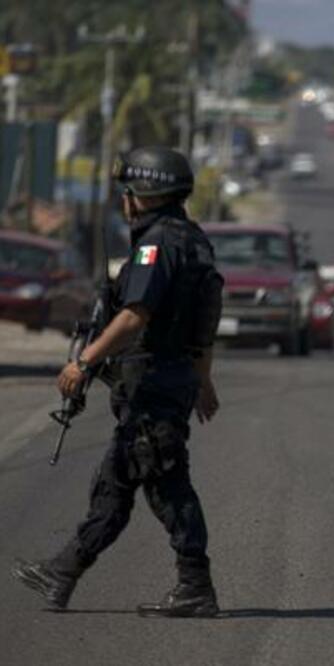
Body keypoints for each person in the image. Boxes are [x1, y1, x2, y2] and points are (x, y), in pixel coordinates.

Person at [11, 147, 225, 618]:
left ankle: (195, 586)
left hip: (151, 382)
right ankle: (63, 572)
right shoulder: (194, 241)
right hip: (169, 379)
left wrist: (84, 362)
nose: (122, 201)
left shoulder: (156, 247)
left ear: (142, 195)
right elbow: (204, 321)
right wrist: (202, 380)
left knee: (166, 485)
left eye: (126, 192)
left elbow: (134, 315)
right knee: (117, 480)